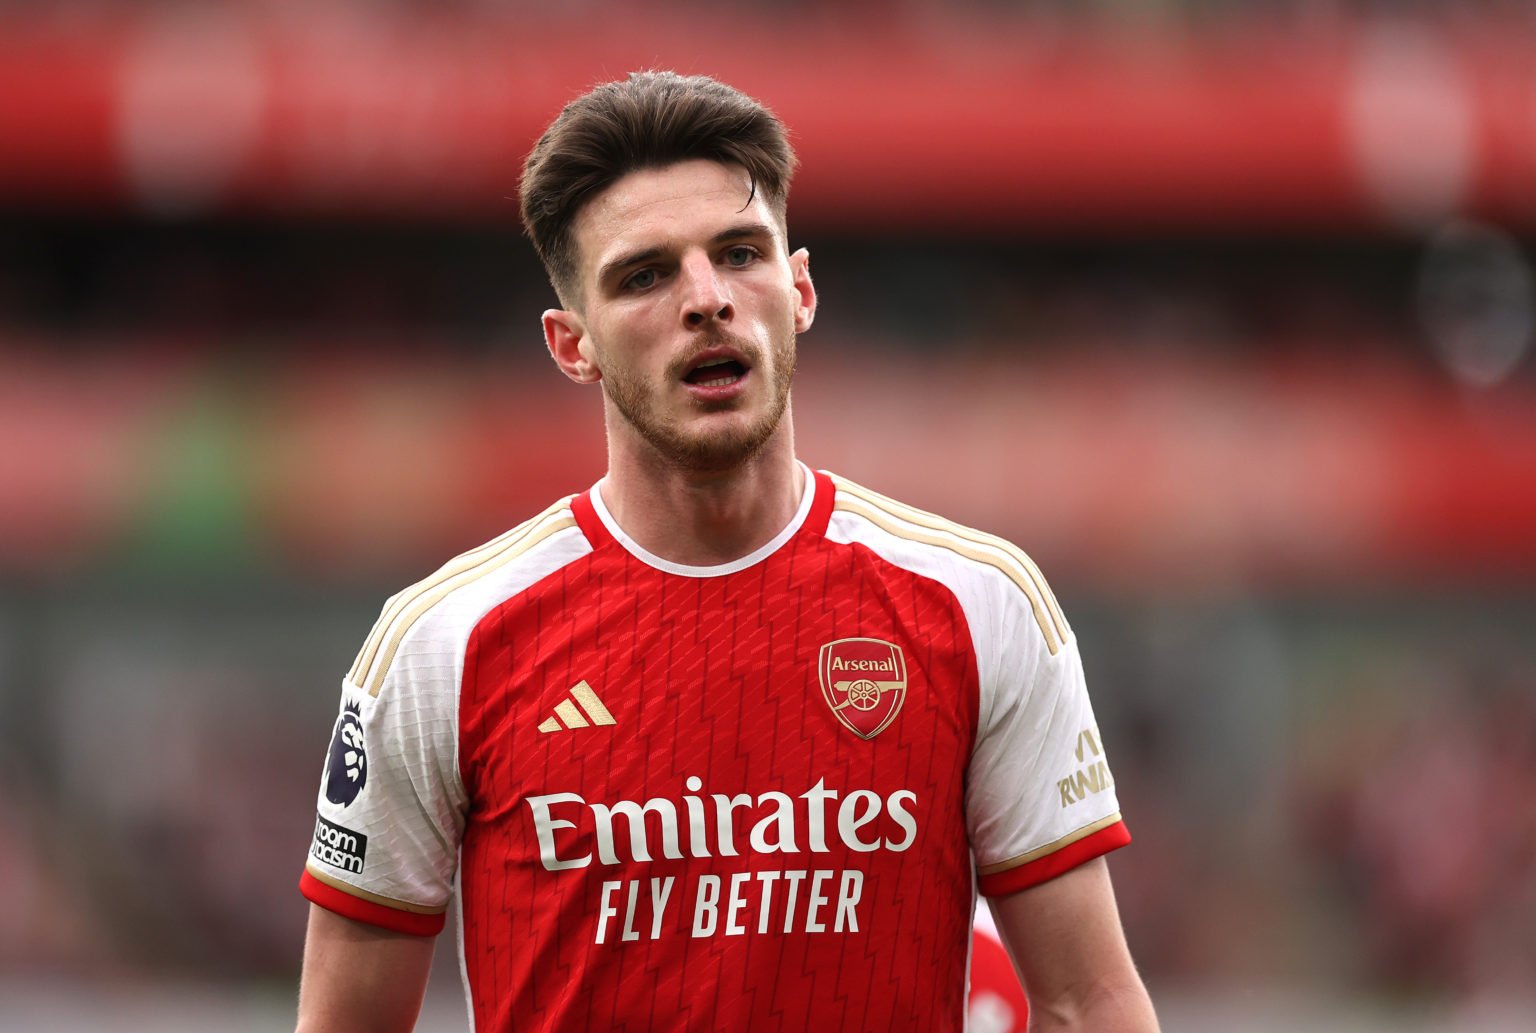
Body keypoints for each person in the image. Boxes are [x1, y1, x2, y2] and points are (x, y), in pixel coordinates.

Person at [294, 70, 1159, 1033]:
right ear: (571, 344)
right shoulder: (441, 645)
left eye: (739, 253)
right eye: (645, 274)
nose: (706, 298)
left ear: (798, 291)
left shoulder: (978, 604)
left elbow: (1088, 1002)